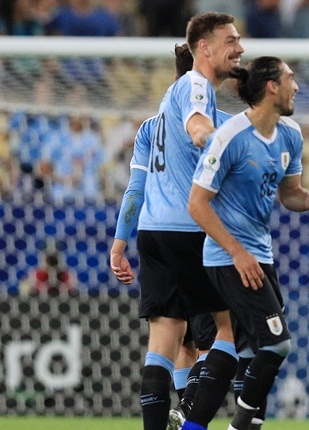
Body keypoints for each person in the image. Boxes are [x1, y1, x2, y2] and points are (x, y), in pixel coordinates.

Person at [187, 56, 309, 430]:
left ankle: (196, 424)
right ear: (271, 86)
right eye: (290, 78)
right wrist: (237, 253)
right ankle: (238, 426)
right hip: (229, 258)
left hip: (260, 254)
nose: (296, 86)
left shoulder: (290, 134)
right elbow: (196, 203)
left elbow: (290, 195)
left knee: (248, 352)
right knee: (277, 344)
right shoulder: (230, 138)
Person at [109, 12, 244, 430]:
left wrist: (119, 243)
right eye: (231, 43)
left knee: (165, 344)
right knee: (227, 332)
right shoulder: (206, 105)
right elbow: (204, 133)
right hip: (196, 232)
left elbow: (135, 189)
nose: (238, 50)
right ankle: (191, 421)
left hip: (153, 231)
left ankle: (167, 420)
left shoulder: (151, 125)